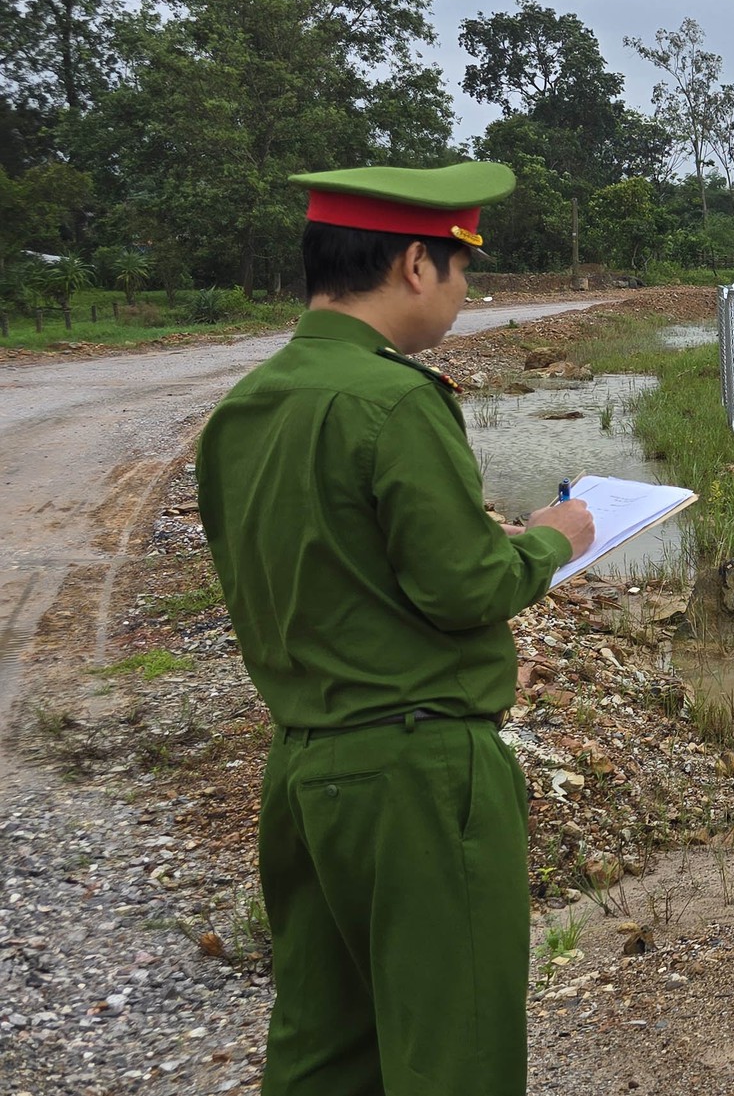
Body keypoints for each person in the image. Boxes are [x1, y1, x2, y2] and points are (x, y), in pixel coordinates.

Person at [196, 160, 595, 1096]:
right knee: (449, 1049)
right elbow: (465, 587)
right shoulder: (397, 400)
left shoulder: (245, 408)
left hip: (302, 770)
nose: (462, 296)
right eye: (460, 270)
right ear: (417, 265)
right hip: (414, 775)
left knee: (324, 1043)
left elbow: (320, 559)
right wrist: (550, 539)